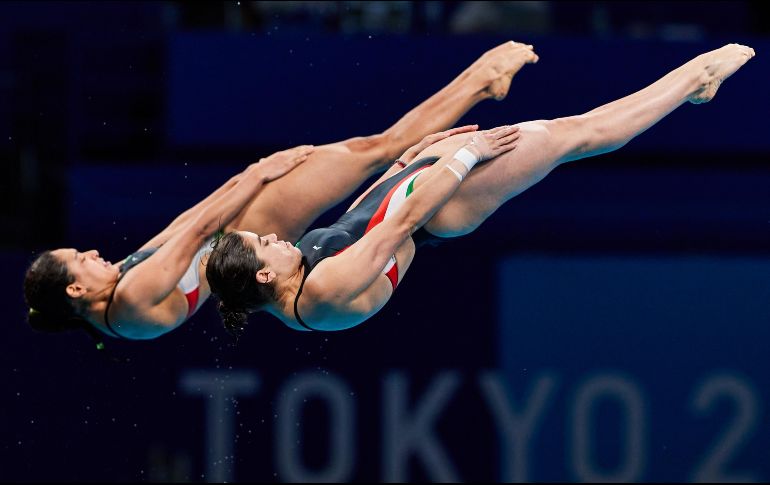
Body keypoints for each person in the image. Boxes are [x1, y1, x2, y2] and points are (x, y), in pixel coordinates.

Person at [205, 43, 755, 334]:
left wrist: (408, 159)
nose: (277, 238)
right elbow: (394, 227)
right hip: (441, 208)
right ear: (264, 274)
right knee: (573, 135)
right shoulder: (320, 300)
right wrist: (465, 157)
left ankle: (690, 82)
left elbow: (355, 221)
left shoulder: (298, 268)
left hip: (414, 190)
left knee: (565, 133)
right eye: (265, 244)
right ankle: (694, 80)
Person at [23, 41, 539, 344]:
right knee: (377, 152)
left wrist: (246, 179)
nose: (91, 252)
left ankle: (478, 82)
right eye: (80, 259)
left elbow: (183, 224)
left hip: (237, 231)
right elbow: (203, 230)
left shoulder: (118, 287)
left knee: (374, 150)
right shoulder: (131, 303)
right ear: (75, 291)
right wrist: (257, 172)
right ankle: (479, 81)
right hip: (246, 236)